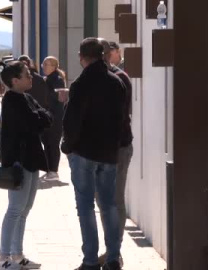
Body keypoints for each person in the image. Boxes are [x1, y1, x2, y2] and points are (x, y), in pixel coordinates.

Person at [61, 38, 126, 270]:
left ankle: (90, 260)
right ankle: (112, 258)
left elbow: (72, 120)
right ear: (103, 55)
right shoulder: (116, 82)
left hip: (84, 152)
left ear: (82, 56)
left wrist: (67, 147)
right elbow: (122, 119)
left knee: (86, 207)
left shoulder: (81, 83)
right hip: (108, 152)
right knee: (109, 205)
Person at [0, 61, 52, 270]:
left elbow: (47, 117)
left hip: (31, 160)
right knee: (15, 210)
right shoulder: (13, 100)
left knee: (25, 209)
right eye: (27, 75)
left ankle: (18, 254)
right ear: (15, 81)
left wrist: (40, 117)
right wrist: (40, 117)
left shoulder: (25, 97)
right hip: (18, 163)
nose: (31, 77)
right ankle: (3, 258)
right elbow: (36, 122)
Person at [96, 39, 134, 267]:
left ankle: (114, 252)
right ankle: (111, 250)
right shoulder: (106, 77)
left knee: (114, 200)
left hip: (117, 147)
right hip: (103, 148)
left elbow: (116, 115)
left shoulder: (118, 78)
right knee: (103, 201)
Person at [40, 56, 67, 181]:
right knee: (47, 144)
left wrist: (45, 91)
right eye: (44, 64)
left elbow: (60, 98)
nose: (44, 67)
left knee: (53, 144)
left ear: (54, 66)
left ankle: (54, 171)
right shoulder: (47, 79)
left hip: (55, 118)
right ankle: (49, 169)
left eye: (47, 64)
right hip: (47, 117)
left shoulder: (57, 79)